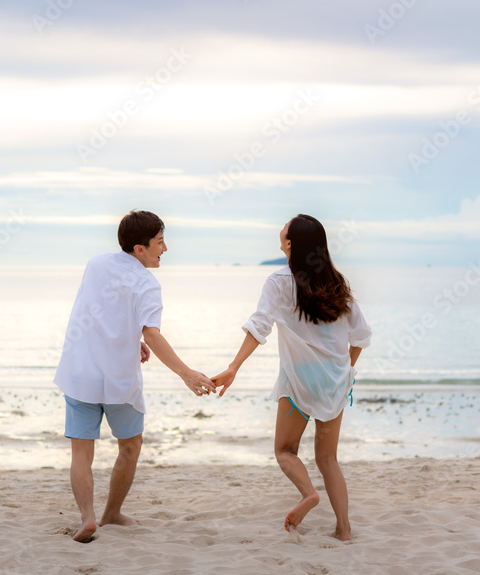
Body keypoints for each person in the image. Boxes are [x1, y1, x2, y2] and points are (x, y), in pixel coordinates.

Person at [54, 210, 216, 542]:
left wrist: (132, 340)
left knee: (81, 453)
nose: (165, 249)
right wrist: (186, 374)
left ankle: (87, 518)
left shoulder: (95, 264)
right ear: (139, 249)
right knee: (130, 446)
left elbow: (98, 312)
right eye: (159, 242)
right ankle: (111, 514)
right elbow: (152, 334)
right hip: (118, 381)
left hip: (80, 371)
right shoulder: (147, 283)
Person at [211, 214, 371, 541]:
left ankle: (308, 494)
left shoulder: (280, 281)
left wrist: (234, 366)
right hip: (334, 382)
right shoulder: (338, 283)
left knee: (285, 450)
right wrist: (345, 371)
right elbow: (361, 337)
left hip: (298, 382)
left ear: (289, 243)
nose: (281, 227)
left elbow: (260, 326)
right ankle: (343, 529)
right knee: (328, 459)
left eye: (285, 227)